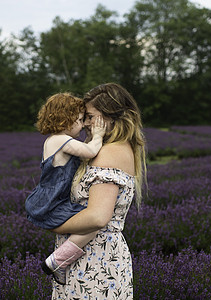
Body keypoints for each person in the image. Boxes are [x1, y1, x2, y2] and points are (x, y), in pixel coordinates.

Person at [50, 83, 147, 299]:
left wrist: (55, 225)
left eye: (90, 117)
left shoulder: (108, 154)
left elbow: (97, 217)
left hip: (94, 263)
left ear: (112, 118)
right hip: (93, 260)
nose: (85, 123)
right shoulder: (120, 148)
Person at [24, 92, 107, 285]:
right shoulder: (60, 140)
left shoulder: (57, 141)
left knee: (90, 224)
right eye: (79, 120)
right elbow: (91, 151)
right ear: (65, 121)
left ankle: (60, 263)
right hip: (51, 203)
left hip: (53, 200)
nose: (82, 123)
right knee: (93, 225)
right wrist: (98, 135)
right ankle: (56, 262)